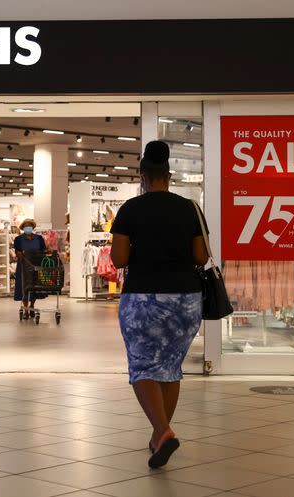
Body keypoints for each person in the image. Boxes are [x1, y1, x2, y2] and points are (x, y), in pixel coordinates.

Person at [110, 140, 209, 469]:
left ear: (143, 175)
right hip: (186, 300)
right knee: (169, 367)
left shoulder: (130, 210)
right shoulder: (189, 208)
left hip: (144, 297)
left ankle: (163, 431)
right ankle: (157, 437)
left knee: (141, 367)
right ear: (169, 174)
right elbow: (200, 255)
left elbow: (119, 258)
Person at [14, 219, 47, 319]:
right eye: (26, 226)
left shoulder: (39, 238)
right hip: (23, 265)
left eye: (30, 226)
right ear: (23, 228)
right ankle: (26, 309)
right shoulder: (18, 239)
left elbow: (43, 250)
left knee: (35, 287)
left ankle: (32, 305)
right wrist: (22, 254)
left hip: (36, 265)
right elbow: (17, 253)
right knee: (24, 287)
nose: (28, 227)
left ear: (33, 227)